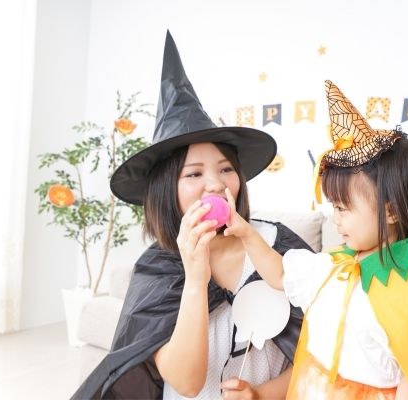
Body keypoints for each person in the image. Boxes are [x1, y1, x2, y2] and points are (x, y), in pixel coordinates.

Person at [71, 31, 310, 399]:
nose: (215, 184)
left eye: (226, 169)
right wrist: (196, 280)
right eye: (195, 174)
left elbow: (324, 348)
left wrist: (262, 395)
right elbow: (186, 382)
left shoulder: (278, 246)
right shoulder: (158, 270)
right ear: (169, 189)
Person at [224, 80, 408, 400]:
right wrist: (247, 233)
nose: (336, 219)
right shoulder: (334, 266)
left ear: (390, 211)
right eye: (334, 208)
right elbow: (279, 274)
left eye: (343, 209)